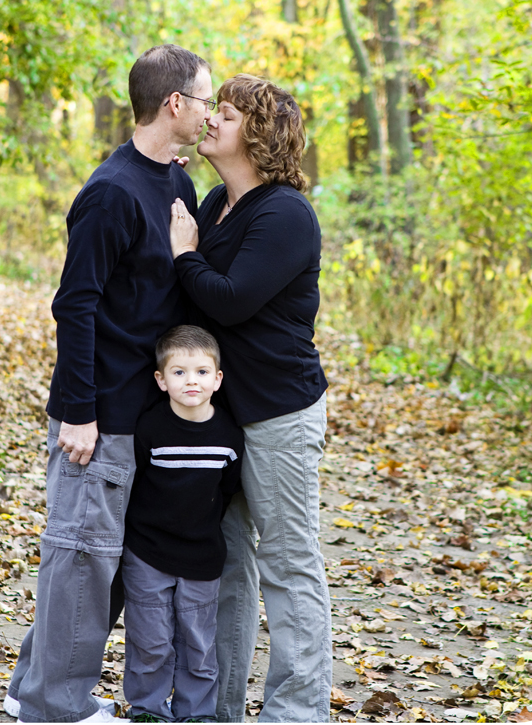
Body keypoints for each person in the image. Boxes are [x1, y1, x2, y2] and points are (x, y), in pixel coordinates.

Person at [6, 44, 215, 725]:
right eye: (205, 99)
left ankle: (31, 687)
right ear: (175, 103)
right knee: (82, 557)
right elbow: (76, 305)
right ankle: (55, 706)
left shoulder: (175, 184)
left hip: (144, 409)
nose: (210, 113)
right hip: (100, 412)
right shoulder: (111, 193)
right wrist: (78, 411)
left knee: (106, 561)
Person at [169, 74, 332, 723]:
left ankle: (296, 712)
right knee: (226, 563)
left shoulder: (286, 214)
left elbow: (230, 300)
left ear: (259, 136)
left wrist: (185, 256)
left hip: (279, 414)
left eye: (228, 114)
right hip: (221, 414)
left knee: (288, 562)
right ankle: (217, 710)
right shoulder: (216, 202)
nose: (212, 119)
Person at [122, 325, 244, 724]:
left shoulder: (229, 435)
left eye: (202, 372)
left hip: (202, 557)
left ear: (217, 379)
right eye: (179, 372)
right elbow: (135, 484)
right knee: (151, 641)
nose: (191, 380)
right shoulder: (149, 428)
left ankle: (196, 713)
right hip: (147, 553)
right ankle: (148, 710)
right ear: (161, 380)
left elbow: (227, 488)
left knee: (198, 643)